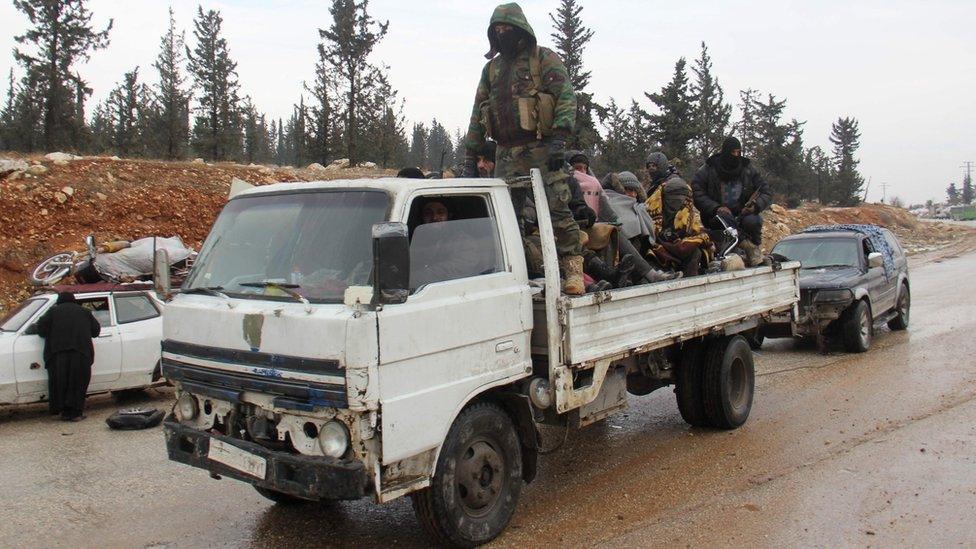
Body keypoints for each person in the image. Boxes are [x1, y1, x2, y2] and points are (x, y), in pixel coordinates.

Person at [461, 2, 585, 295]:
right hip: (505, 152)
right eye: (497, 30)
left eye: (507, 29)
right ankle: (516, 272)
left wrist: (559, 139)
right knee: (506, 216)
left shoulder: (543, 59)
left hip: (541, 147)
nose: (502, 34)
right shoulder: (491, 69)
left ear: (520, 30)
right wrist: (471, 153)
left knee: (557, 208)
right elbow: (478, 111)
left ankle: (574, 270)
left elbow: (565, 95)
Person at [691, 136, 772, 266]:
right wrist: (715, 207)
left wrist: (755, 206)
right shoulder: (709, 168)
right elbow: (696, 191)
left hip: (742, 214)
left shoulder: (748, 168)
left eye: (738, 152)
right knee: (723, 219)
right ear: (725, 152)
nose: (736, 155)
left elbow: (765, 190)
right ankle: (748, 247)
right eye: (733, 152)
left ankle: (754, 251)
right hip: (715, 216)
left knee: (754, 220)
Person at [35, 292, 100, 421]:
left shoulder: (53, 312)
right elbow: (96, 331)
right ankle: (75, 413)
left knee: (60, 383)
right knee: (78, 383)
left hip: (58, 354)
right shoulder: (85, 312)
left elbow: (40, 329)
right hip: (81, 353)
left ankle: (62, 411)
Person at [646, 178, 712, 277]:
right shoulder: (651, 210)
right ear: (664, 197)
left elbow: (697, 231)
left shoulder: (690, 212)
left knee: (696, 252)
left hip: (682, 247)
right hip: (659, 248)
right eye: (672, 197)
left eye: (682, 197)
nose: (677, 201)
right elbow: (650, 234)